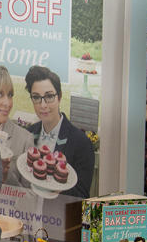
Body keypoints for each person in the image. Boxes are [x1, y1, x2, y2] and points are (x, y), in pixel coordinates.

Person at [24, 65, 95, 199]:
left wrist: (58, 189)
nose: (43, 105)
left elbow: (82, 195)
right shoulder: (28, 134)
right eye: (36, 97)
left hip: (59, 217)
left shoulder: (81, 143)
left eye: (49, 96)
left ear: (60, 96)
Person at [0, 65, 34, 185]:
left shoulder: (25, 140)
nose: (7, 103)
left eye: (10, 95)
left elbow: (29, 196)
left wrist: (5, 174)